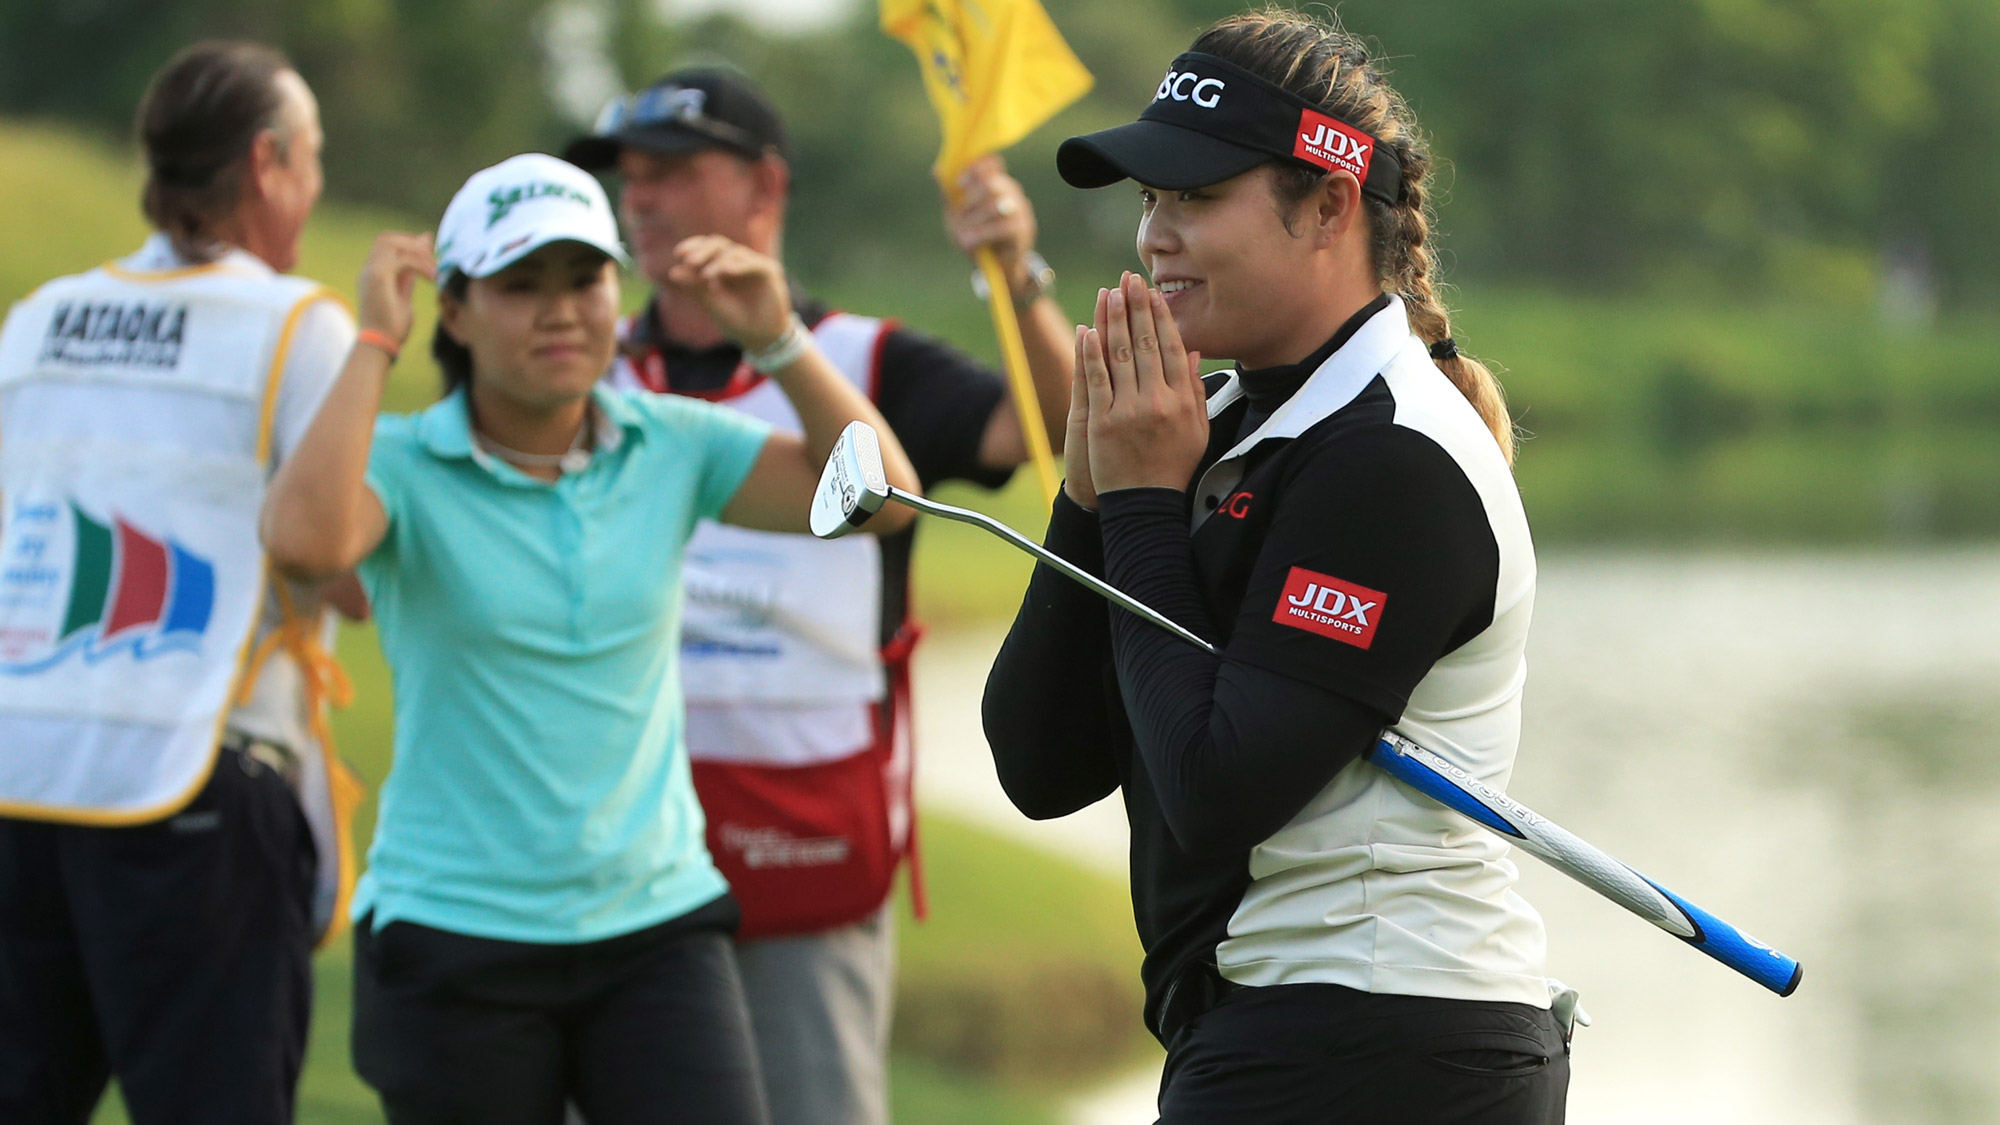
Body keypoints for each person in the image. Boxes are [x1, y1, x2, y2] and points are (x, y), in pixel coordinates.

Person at [982, 11, 1573, 1122]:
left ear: (1327, 206)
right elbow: (1038, 763)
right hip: (1282, 1031)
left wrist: (1149, 500)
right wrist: (1087, 496)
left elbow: (1214, 789)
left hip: (1386, 1041)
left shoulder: (1389, 458)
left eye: (1196, 198)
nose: (1155, 234)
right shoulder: (1216, 423)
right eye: (1148, 199)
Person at [259, 150, 920, 1125]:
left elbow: (876, 497)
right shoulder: (403, 461)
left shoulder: (667, 442)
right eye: (519, 286)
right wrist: (369, 341)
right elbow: (304, 544)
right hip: (455, 938)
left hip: (654, 930)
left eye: (583, 280)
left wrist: (776, 339)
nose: (560, 311)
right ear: (454, 312)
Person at [562, 66, 1070, 1125]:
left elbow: (1053, 433)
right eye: (630, 176)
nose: (640, 199)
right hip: (606, 837)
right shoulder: (573, 366)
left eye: (672, 171)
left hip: (804, 836)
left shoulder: (862, 360)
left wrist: (1016, 272)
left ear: (764, 191)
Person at [0, 41, 363, 1124]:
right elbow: (344, 565)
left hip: (22, 777)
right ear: (266, 163)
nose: (318, 181)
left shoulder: (38, 320)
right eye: (313, 157)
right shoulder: (303, 329)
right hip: (196, 775)